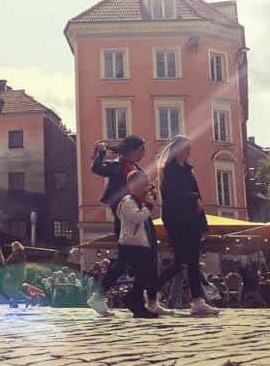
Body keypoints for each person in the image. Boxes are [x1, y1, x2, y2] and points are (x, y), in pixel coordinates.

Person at [155, 136, 219, 316]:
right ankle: (153, 290)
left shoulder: (189, 170)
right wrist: (193, 198)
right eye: (185, 149)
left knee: (191, 262)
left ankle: (197, 302)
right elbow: (172, 196)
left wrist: (203, 224)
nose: (187, 152)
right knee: (182, 261)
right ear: (175, 150)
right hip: (176, 219)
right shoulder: (168, 170)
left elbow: (199, 200)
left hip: (191, 219)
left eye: (189, 149)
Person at [91, 136, 148, 315]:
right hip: (123, 216)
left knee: (133, 261)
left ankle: (139, 299)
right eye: (141, 150)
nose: (144, 153)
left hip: (136, 215)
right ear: (130, 151)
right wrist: (101, 152)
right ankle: (101, 296)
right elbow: (96, 168)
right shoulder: (116, 166)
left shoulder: (136, 168)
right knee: (128, 261)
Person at [114, 171, 160, 318]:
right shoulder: (128, 201)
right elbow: (137, 218)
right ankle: (134, 302)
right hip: (132, 243)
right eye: (144, 184)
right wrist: (149, 206)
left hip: (140, 243)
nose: (147, 187)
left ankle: (136, 303)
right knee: (143, 275)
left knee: (144, 276)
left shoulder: (137, 201)